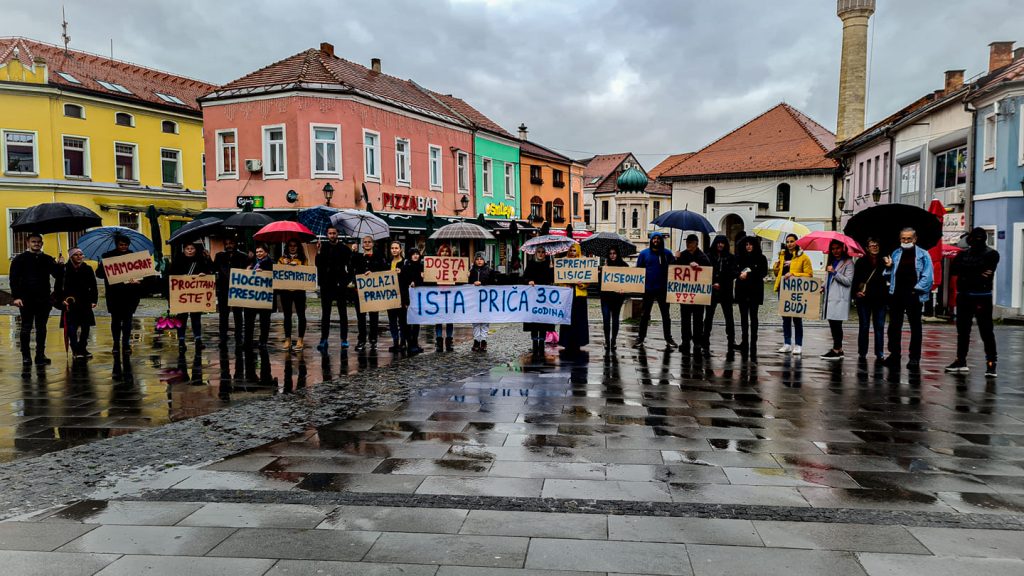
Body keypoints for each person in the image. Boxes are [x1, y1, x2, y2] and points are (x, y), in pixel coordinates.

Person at [947, 227, 999, 376]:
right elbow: (954, 270)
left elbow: (986, 275)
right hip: (964, 296)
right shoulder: (963, 255)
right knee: (963, 331)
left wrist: (968, 274)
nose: (977, 241)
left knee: (986, 331)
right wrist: (976, 273)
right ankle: (961, 360)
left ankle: (991, 363)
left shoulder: (992, 254)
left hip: (982, 296)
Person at [883, 227, 933, 370]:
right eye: (903, 238)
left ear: (915, 239)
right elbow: (889, 275)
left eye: (909, 239)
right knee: (894, 326)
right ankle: (894, 354)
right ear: (900, 239)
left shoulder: (923, 254)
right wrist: (888, 266)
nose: (906, 241)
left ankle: (914, 358)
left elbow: (928, 276)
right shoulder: (896, 253)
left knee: (915, 327)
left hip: (914, 295)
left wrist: (915, 290)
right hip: (896, 294)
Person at [10, 233, 63, 365]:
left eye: (39, 242)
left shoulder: (47, 259)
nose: (36, 244)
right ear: (27, 243)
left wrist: (60, 265)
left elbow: (58, 276)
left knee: (42, 328)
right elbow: (13, 280)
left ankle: (40, 355)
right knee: (26, 328)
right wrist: (16, 297)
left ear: (42, 244)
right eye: (33, 242)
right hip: (26, 299)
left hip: (43, 299)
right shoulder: (19, 259)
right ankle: (26, 356)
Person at [96, 234, 144, 356]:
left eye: (126, 245)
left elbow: (141, 274)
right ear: (117, 244)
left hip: (130, 294)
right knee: (116, 320)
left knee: (128, 320)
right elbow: (99, 274)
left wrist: (138, 281)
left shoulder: (134, 257)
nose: (124, 247)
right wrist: (102, 265)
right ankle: (116, 343)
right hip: (114, 294)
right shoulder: (108, 257)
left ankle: (126, 343)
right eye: (121, 244)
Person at [633, 232, 676, 349]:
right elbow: (639, 271)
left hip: (663, 289)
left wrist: (677, 259)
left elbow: (674, 268)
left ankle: (668, 338)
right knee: (644, 315)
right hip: (648, 289)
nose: (656, 240)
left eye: (658, 238)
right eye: (654, 238)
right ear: (651, 240)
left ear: (661, 240)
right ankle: (640, 338)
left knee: (666, 316)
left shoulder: (667, 253)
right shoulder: (644, 254)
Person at [773, 233, 812, 355]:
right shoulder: (782, 255)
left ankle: (798, 344)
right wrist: (776, 267)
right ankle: (787, 343)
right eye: (788, 241)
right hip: (783, 289)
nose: (789, 244)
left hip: (796, 291)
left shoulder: (803, 257)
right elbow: (778, 274)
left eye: (792, 241)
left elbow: (809, 274)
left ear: (797, 242)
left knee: (797, 319)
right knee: (785, 318)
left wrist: (795, 274)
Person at [169, 242, 212, 353]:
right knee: (181, 319)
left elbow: (209, 272)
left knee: (196, 319)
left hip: (196, 296)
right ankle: (181, 342)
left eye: (192, 248)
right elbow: (171, 277)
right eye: (187, 248)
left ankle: (198, 340)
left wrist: (204, 274)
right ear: (184, 250)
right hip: (181, 296)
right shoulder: (177, 261)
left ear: (195, 250)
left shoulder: (200, 261)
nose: (190, 250)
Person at [315, 226, 352, 351]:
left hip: (340, 285)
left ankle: (344, 339)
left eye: (334, 233)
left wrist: (346, 281)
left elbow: (350, 267)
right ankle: (324, 339)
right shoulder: (323, 247)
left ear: (337, 234)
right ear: (327, 234)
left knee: (343, 313)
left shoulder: (344, 249)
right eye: (330, 233)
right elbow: (318, 265)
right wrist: (318, 252)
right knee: (326, 313)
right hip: (326, 285)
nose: (332, 235)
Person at [674, 234, 711, 357]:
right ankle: (685, 341)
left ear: (696, 243)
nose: (688, 244)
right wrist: (676, 258)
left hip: (698, 296)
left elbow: (708, 271)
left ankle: (697, 342)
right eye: (687, 242)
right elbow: (674, 270)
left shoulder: (702, 256)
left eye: (690, 242)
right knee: (685, 319)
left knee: (698, 320)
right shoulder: (683, 255)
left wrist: (699, 267)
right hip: (685, 294)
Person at [59, 248, 97, 360]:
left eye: (81, 255)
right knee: (72, 327)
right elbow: (58, 286)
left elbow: (93, 286)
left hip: (85, 301)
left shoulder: (88, 269)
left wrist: (94, 300)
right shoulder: (64, 269)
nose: (79, 257)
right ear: (71, 257)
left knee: (86, 327)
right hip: (70, 302)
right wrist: (61, 299)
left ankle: (83, 347)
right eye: (76, 255)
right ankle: (75, 348)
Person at [852, 237, 887, 360]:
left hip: (880, 298)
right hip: (864, 298)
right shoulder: (861, 262)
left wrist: (889, 266)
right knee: (864, 326)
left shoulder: (885, 261)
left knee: (879, 326)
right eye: (872, 245)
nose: (874, 247)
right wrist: (856, 292)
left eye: (876, 245)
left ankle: (879, 353)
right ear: (867, 248)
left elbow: (889, 278)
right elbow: (855, 279)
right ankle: (862, 352)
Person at [351, 235, 388, 351]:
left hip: (373, 292)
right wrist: (353, 252)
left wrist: (373, 272)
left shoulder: (378, 257)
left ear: (372, 244)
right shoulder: (357, 257)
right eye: (364, 242)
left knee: (373, 317)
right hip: (360, 292)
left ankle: (373, 340)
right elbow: (351, 267)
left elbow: (383, 271)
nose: (367, 244)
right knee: (361, 317)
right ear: (362, 244)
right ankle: (361, 340)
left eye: (369, 242)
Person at [734, 236, 768, 359]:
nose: (748, 246)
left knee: (753, 317)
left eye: (750, 244)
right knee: (743, 318)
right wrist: (739, 274)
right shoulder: (739, 257)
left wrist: (749, 273)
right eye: (746, 244)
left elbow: (763, 272)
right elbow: (733, 270)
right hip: (742, 291)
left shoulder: (761, 258)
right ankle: (744, 341)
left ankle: (753, 341)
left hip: (754, 291)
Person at [821, 240, 854, 361]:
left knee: (836, 324)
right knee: (832, 323)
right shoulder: (832, 262)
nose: (835, 251)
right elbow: (828, 278)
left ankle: (836, 349)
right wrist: (823, 286)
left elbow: (848, 281)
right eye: (833, 249)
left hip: (839, 298)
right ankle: (839, 350)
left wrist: (834, 272)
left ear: (843, 248)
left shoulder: (848, 263)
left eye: (838, 248)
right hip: (830, 297)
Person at [214, 237, 250, 349]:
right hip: (223, 290)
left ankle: (239, 337)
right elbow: (213, 268)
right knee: (223, 315)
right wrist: (207, 259)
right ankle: (223, 337)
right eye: (227, 243)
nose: (229, 245)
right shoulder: (219, 256)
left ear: (236, 244)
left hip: (237, 290)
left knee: (238, 315)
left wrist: (251, 261)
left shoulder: (243, 256)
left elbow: (248, 270)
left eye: (231, 243)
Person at [704, 234, 737, 354]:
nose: (720, 245)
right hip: (711, 290)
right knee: (708, 317)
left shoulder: (731, 258)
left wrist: (721, 283)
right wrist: (713, 282)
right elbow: (705, 272)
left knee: (729, 317)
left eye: (722, 243)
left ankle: (731, 340)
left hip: (726, 290)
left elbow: (732, 272)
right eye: (718, 243)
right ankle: (705, 339)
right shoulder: (708, 256)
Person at [558, 244, 590, 357]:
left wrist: (584, 285)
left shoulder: (584, 262)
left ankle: (578, 341)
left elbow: (589, 278)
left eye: (574, 250)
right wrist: (564, 284)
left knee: (579, 319)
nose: (572, 252)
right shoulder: (563, 262)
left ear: (578, 251)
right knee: (567, 319)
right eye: (571, 250)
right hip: (567, 295)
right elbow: (558, 279)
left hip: (579, 295)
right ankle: (566, 341)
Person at [277, 240, 309, 351]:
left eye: (295, 245)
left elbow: (307, 272)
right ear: (287, 247)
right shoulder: (281, 259)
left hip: (299, 291)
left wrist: (297, 266)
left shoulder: (303, 259)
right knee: (287, 316)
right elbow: (278, 273)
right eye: (290, 245)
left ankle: (300, 339)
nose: (292, 247)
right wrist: (285, 265)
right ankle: (288, 339)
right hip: (286, 291)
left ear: (298, 247)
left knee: (301, 315)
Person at [523, 245, 555, 354]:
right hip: (533, 296)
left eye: (543, 252)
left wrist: (551, 269)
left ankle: (541, 342)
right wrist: (529, 281)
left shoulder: (548, 264)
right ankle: (534, 342)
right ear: (535, 253)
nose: (541, 254)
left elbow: (552, 279)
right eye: (539, 252)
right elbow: (524, 277)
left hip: (545, 297)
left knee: (543, 320)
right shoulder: (531, 264)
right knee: (534, 320)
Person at [244, 244, 274, 350]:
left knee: (264, 321)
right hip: (252, 297)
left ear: (266, 252)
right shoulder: (253, 262)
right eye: (257, 252)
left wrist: (264, 273)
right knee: (248, 320)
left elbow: (274, 276)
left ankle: (263, 342)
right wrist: (248, 271)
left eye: (261, 251)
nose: (258, 254)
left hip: (264, 297)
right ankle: (248, 342)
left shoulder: (270, 263)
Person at [599, 246, 629, 350]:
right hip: (605, 297)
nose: (612, 255)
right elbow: (600, 284)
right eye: (610, 253)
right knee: (606, 320)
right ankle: (607, 341)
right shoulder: (604, 266)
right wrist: (602, 272)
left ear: (618, 254)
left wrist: (623, 290)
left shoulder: (624, 266)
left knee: (615, 319)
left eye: (614, 253)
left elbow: (628, 282)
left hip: (617, 298)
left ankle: (614, 341)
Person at [399, 246, 424, 355]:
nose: (415, 256)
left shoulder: (422, 267)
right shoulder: (405, 267)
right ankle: (410, 344)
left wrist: (417, 282)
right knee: (407, 322)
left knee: (417, 322)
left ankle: (415, 342)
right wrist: (405, 300)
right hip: (408, 299)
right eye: (413, 254)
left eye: (417, 253)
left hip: (418, 299)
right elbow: (402, 285)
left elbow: (425, 282)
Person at [468, 251, 495, 351]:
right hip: (474, 300)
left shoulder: (490, 271)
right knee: (475, 320)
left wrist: (482, 283)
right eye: (477, 259)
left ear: (484, 260)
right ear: (475, 261)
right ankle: (476, 340)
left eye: (481, 259)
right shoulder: (471, 271)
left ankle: (483, 340)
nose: (479, 261)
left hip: (486, 300)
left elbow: (494, 282)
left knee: (484, 320)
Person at [433, 243, 456, 352]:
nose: (445, 253)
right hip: (438, 295)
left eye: (447, 251)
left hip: (450, 295)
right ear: (439, 253)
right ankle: (438, 340)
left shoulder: (454, 265)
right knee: (438, 319)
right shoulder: (433, 265)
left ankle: (449, 340)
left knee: (449, 319)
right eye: (443, 251)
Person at [386, 240, 406, 352]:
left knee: (402, 321)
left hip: (401, 296)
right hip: (390, 296)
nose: (394, 250)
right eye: (392, 248)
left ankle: (403, 342)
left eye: (396, 248)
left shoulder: (404, 263)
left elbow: (408, 277)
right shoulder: (388, 263)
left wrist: (402, 272)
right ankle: (395, 342)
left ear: (400, 249)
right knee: (392, 321)